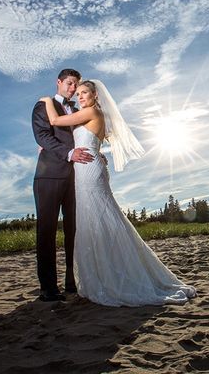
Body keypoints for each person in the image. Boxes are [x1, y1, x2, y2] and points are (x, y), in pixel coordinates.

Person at [39, 79, 196, 306]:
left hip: (88, 171)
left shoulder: (91, 112)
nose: (79, 97)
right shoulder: (95, 114)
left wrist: (46, 100)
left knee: (98, 217)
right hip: (89, 166)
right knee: (96, 218)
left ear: (95, 96)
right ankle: (106, 271)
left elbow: (54, 120)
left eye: (84, 93)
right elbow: (87, 140)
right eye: (78, 94)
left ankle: (111, 275)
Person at [32, 69, 94, 302]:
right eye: (69, 83)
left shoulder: (78, 111)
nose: (72, 89)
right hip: (48, 177)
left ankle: (72, 282)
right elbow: (42, 136)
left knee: (74, 231)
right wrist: (68, 153)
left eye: (75, 85)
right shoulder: (43, 106)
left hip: (76, 178)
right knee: (46, 232)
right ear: (58, 82)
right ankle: (48, 288)